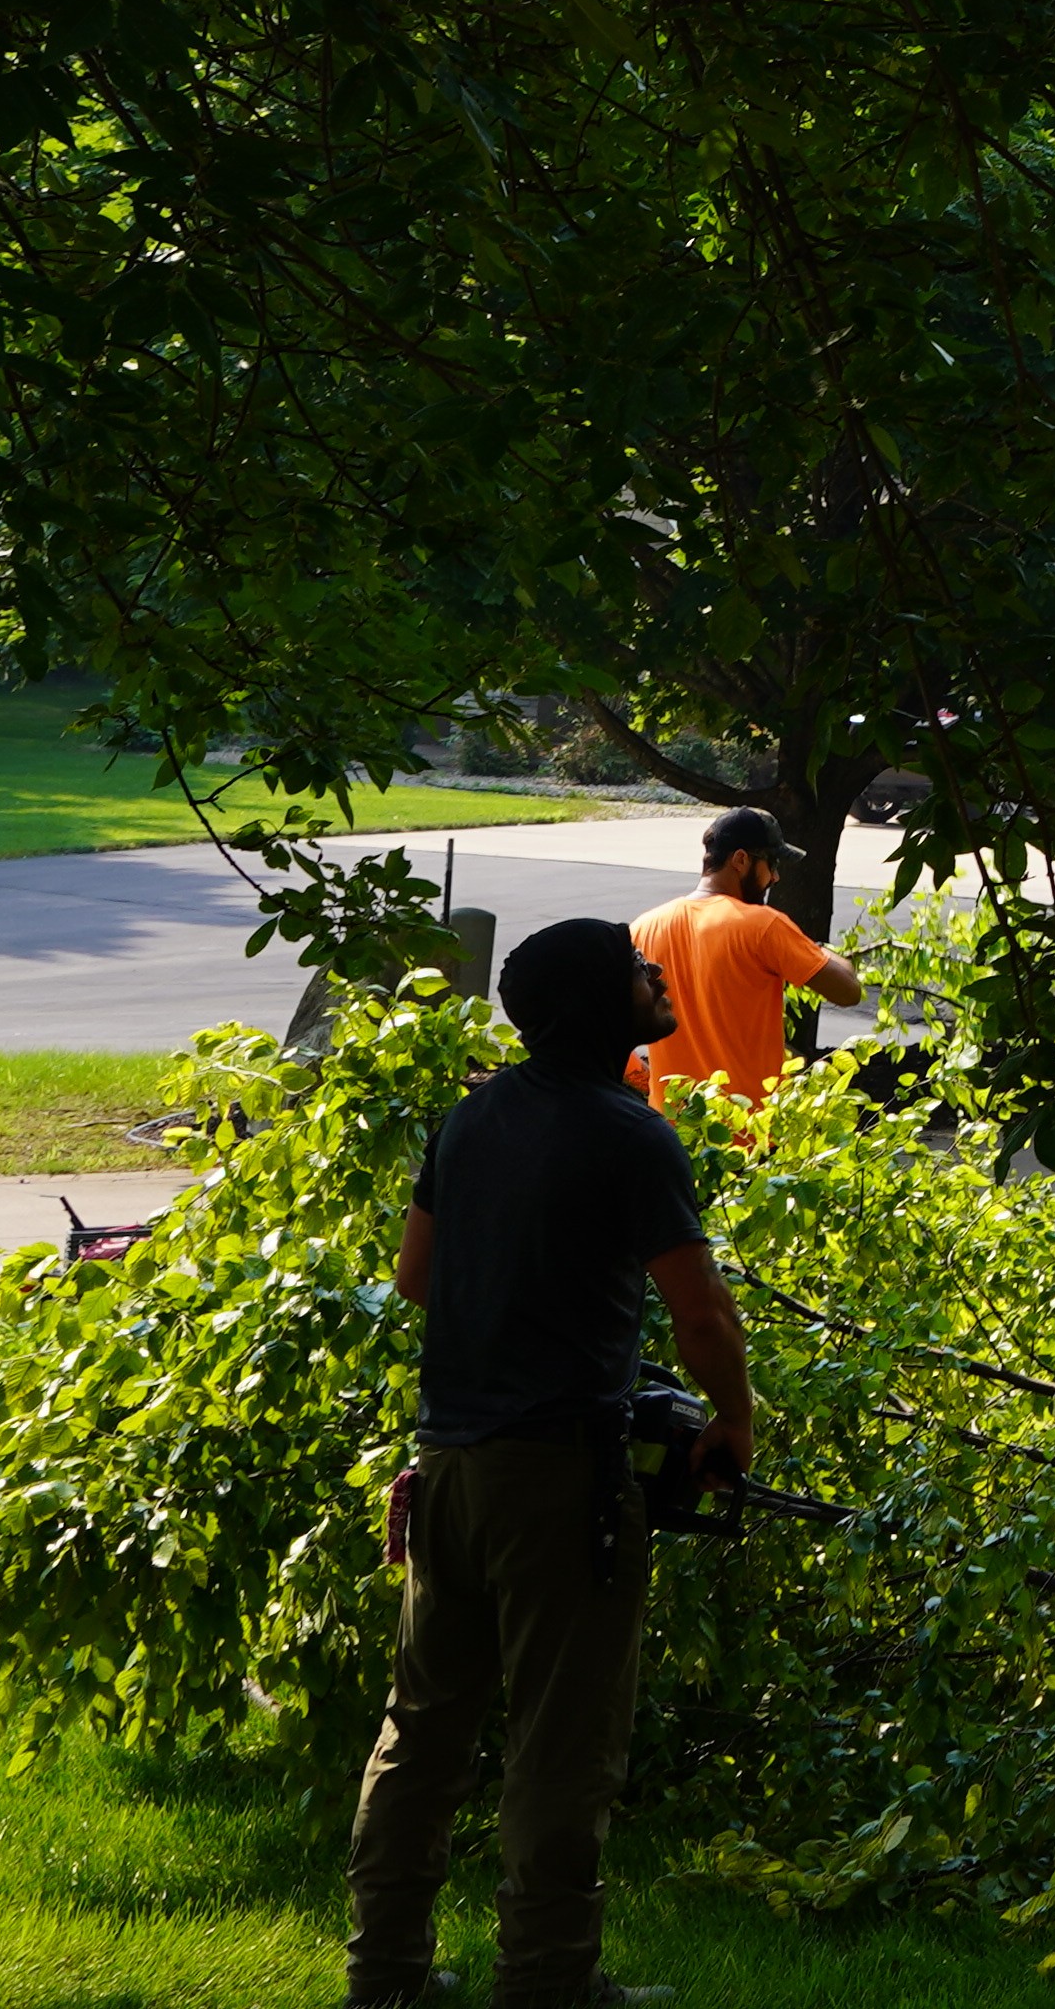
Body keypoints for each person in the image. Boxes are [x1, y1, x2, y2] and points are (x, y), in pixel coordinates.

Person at [345, 915, 754, 2009]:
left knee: (423, 1732)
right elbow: (702, 1315)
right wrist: (733, 1420)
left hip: (450, 1464)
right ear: (599, 1004)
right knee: (562, 1745)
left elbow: (419, 1278)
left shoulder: (472, 1116)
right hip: (564, 1480)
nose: (658, 971)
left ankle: (382, 1979)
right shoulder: (632, 1133)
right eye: (637, 969)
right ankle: (547, 1985)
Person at [625, 806, 862, 1108]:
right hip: (751, 1137)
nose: (775, 876)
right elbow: (848, 991)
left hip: (672, 1130)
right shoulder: (762, 925)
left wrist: (647, 1086)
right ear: (740, 860)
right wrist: (813, 948)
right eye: (771, 863)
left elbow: (608, 1027)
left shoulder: (644, 927)